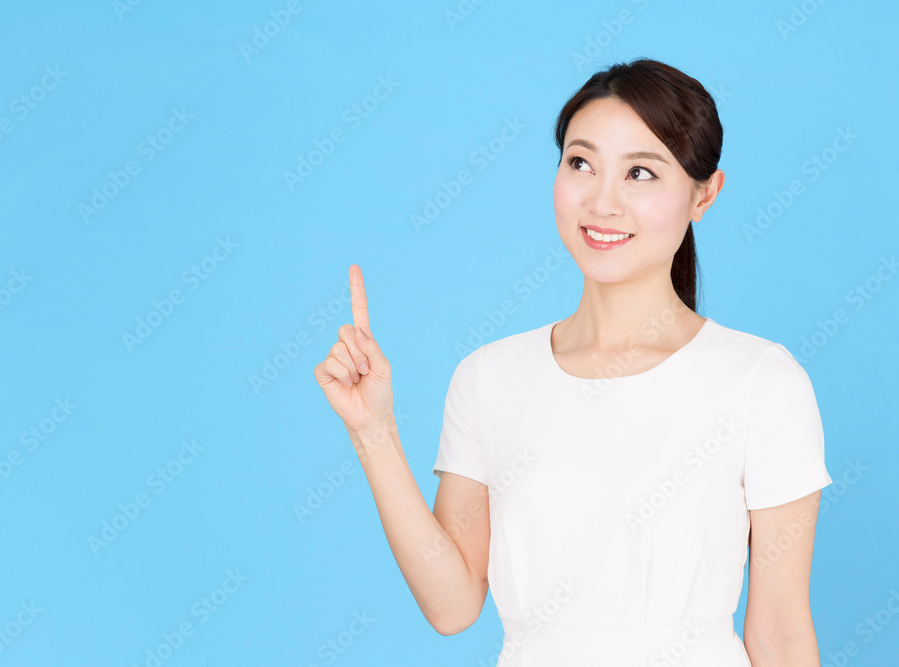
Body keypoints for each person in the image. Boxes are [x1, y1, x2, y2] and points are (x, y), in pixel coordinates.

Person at [313, 58, 832, 666]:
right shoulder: (489, 377)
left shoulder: (761, 381)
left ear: (704, 194)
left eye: (641, 172)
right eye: (581, 163)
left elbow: (778, 632)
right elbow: (452, 606)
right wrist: (374, 432)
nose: (602, 201)